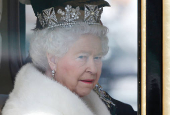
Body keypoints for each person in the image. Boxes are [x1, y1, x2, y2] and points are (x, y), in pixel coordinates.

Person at [1, 0, 137, 115]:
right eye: (82, 57)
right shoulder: (31, 110)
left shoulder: (108, 105)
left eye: (97, 57)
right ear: (53, 59)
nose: (93, 69)